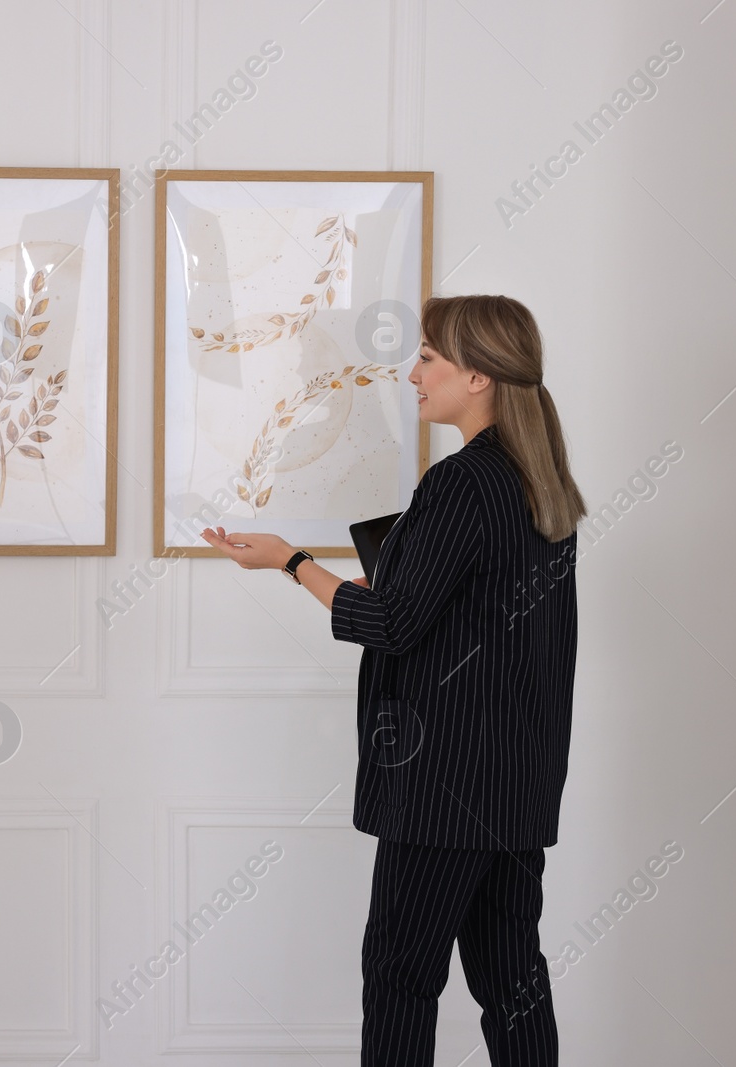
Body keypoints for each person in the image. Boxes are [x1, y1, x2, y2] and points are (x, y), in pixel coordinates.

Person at [202, 294, 585, 1066]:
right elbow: (456, 621)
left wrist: (290, 562)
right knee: (512, 982)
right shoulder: (539, 485)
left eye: (430, 359)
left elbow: (393, 626)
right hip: (515, 784)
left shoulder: (461, 483)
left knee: (400, 978)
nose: (414, 374)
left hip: (444, 790)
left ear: (478, 375)